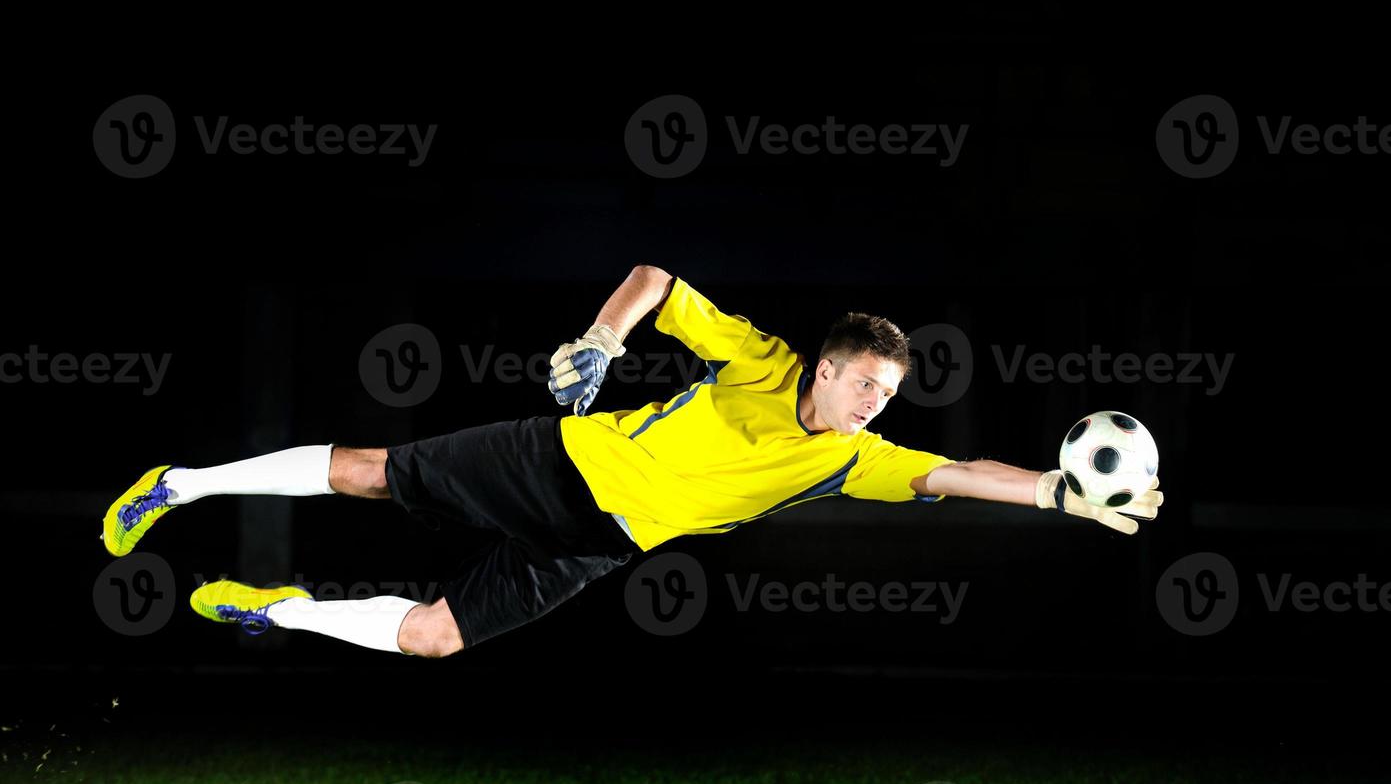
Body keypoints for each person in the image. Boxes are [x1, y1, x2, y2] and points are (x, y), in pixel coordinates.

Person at [99, 265, 1162, 657]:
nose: (877, 404)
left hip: (598, 543)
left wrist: (1057, 491)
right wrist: (604, 340)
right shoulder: (758, 359)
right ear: (828, 367)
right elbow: (653, 275)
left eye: (890, 396)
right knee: (373, 469)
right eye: (866, 386)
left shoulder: (855, 459)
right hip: (557, 461)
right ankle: (180, 483)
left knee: (434, 637)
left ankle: (273, 609)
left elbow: (959, 470)